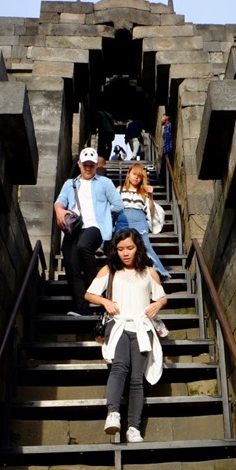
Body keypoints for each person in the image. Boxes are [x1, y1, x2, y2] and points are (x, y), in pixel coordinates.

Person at [85, 228, 168, 442]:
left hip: (142, 327)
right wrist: (105, 301)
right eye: (121, 249)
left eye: (130, 248)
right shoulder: (109, 270)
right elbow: (89, 294)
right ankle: (113, 414)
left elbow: (162, 297)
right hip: (118, 324)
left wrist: (157, 304)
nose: (125, 253)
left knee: (136, 379)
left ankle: (133, 427)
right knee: (119, 366)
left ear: (138, 247)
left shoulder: (149, 272)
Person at [54, 147, 124, 316]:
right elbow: (60, 201)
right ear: (79, 164)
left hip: (95, 227)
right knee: (71, 266)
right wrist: (59, 210)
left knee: (83, 246)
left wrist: (105, 215)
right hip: (74, 229)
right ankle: (82, 308)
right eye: (85, 165)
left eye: (91, 165)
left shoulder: (104, 183)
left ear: (96, 166)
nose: (87, 168)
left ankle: (97, 292)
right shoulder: (70, 184)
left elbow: (118, 205)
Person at [114, 163, 170, 281]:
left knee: (145, 246)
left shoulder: (143, 192)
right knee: (120, 244)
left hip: (139, 219)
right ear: (128, 174)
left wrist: (151, 196)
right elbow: (112, 206)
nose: (136, 177)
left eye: (139, 176)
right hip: (123, 218)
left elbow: (151, 211)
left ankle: (160, 272)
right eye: (134, 174)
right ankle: (115, 272)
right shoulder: (119, 189)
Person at [159, 113, 173, 184]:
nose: (161, 119)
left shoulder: (170, 126)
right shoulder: (166, 128)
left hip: (169, 150)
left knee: (164, 170)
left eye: (162, 117)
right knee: (162, 171)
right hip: (166, 151)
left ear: (166, 118)